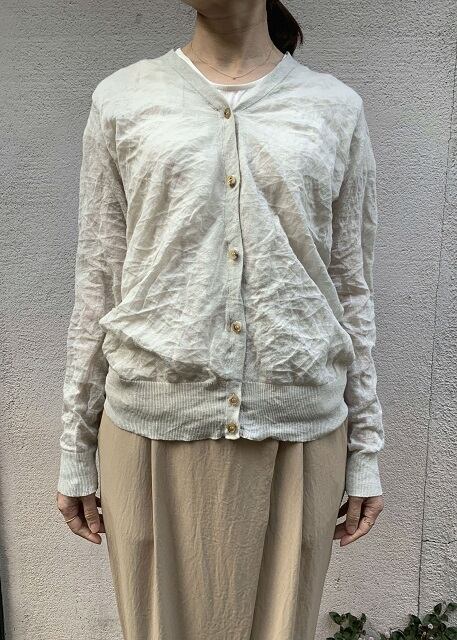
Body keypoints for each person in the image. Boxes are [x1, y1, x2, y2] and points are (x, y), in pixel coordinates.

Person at [56, 1, 386, 638]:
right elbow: (97, 278)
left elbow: (351, 288)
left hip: (298, 430)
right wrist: (75, 446)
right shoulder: (123, 100)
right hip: (151, 426)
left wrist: (366, 448)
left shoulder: (334, 109)